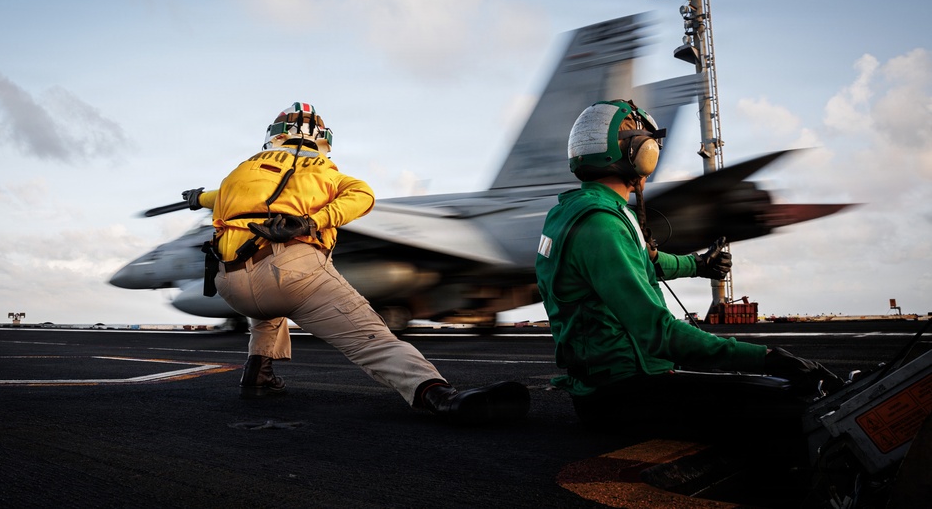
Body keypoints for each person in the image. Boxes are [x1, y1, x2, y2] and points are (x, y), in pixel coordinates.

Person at [183, 102, 529, 425]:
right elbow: (363, 196)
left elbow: (213, 196)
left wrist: (197, 197)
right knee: (372, 340)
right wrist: (310, 223)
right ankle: (437, 394)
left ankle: (257, 373)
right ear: (324, 142)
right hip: (291, 273)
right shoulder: (327, 173)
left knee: (267, 309)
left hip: (230, 283)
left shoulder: (239, 173)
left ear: (274, 135)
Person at [534, 99, 841, 446]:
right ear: (640, 153)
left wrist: (697, 265)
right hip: (622, 394)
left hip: (605, 386)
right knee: (799, 407)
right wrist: (767, 358)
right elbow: (659, 334)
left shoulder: (575, 212)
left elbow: (645, 261)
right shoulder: (602, 226)